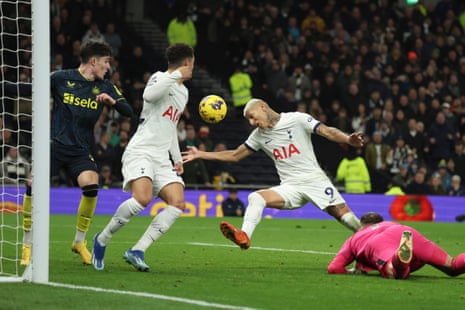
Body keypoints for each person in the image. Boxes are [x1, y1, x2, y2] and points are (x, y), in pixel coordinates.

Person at [182, 98, 363, 250]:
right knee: (256, 198)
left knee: (344, 217)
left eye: (252, 117)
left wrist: (347, 139)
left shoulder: (297, 119)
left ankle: (373, 239)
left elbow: (327, 131)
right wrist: (201, 154)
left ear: (262, 107)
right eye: (249, 121)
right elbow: (235, 155)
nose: (252, 123)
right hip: (290, 187)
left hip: (314, 180)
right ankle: (244, 236)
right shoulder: (259, 135)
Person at [19, 40, 133, 266]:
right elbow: (28, 88)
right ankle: (27, 245)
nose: (108, 68)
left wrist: (112, 102)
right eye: (106, 63)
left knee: (92, 184)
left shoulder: (106, 86)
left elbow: (128, 111)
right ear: (93, 61)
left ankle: (79, 242)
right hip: (54, 145)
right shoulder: (61, 78)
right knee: (33, 185)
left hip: (80, 150)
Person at [91, 43, 195, 272]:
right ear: (187, 63)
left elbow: (170, 126)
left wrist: (176, 157)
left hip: (161, 156)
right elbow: (148, 95)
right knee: (142, 199)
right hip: (141, 150)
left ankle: (137, 250)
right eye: (192, 64)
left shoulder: (183, 92)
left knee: (177, 203)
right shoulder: (159, 78)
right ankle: (101, 239)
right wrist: (176, 74)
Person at [328, 212, 465, 279]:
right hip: (406, 231)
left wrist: (351, 272)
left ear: (362, 225)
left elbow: (334, 268)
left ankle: (400, 258)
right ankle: (402, 252)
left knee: (394, 271)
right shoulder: (388, 223)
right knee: (452, 266)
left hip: (379, 242)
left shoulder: (356, 237)